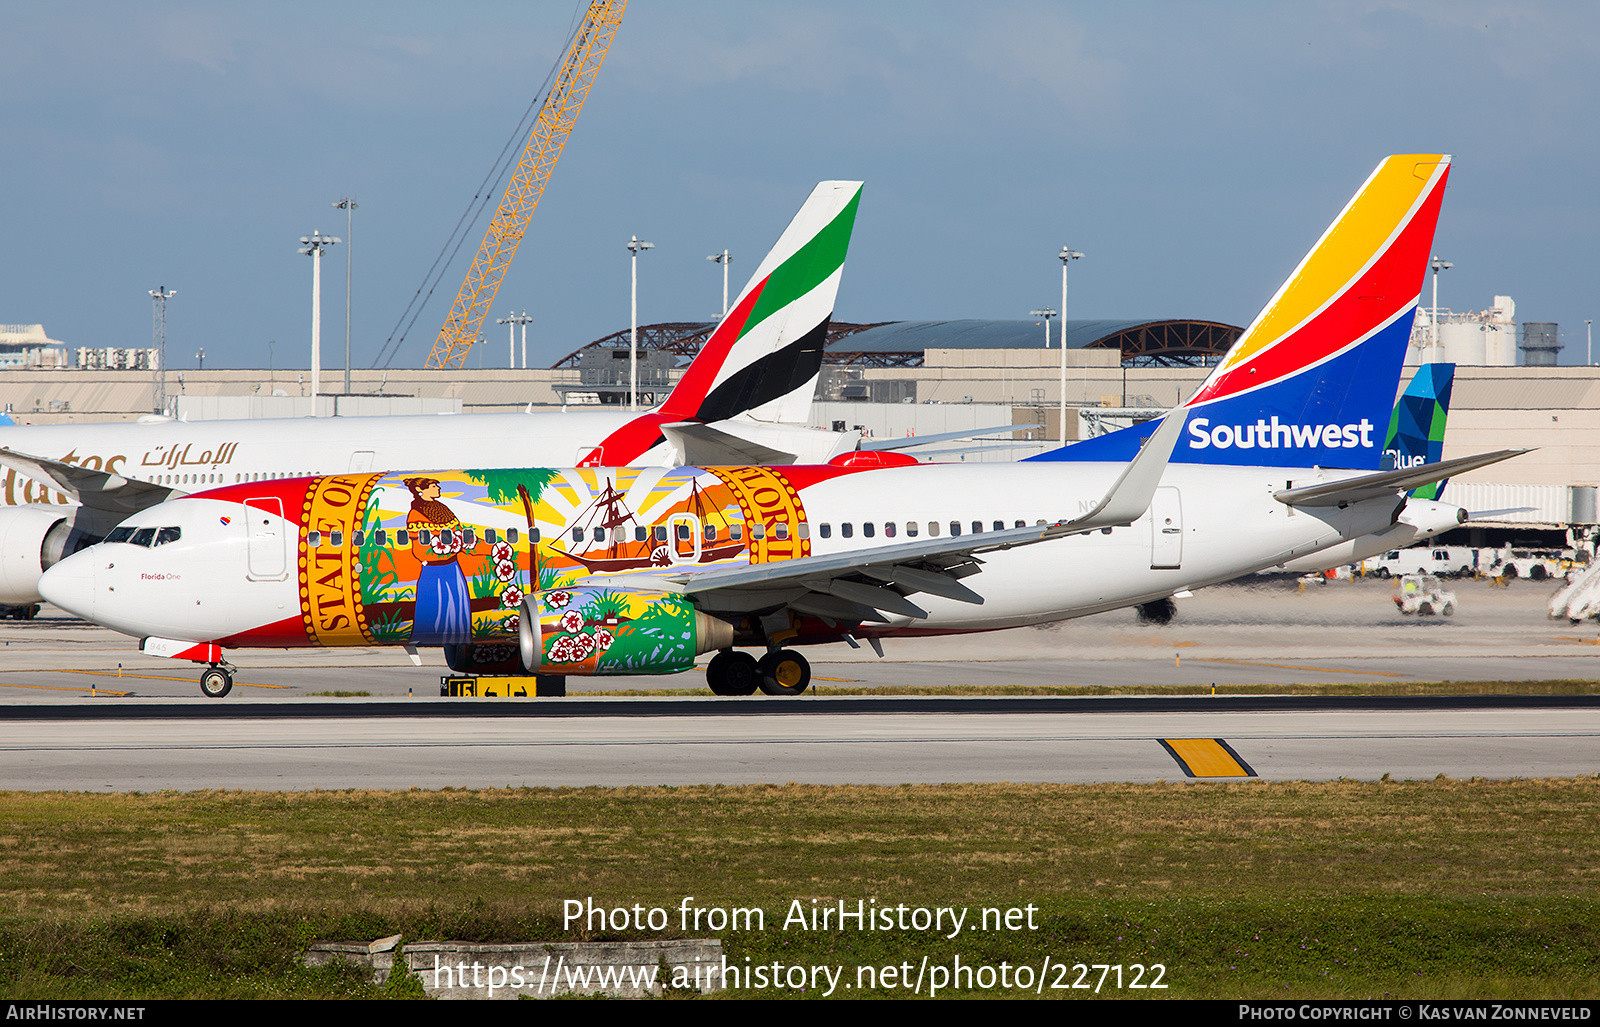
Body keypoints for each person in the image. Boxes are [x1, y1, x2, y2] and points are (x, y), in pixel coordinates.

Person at [404, 477, 470, 645]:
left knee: (457, 610)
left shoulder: (442, 508)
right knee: (435, 610)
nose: (438, 487)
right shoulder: (416, 514)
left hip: (452, 567)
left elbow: (461, 535)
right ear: (421, 490)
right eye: (434, 486)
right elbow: (418, 547)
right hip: (434, 570)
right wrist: (434, 556)